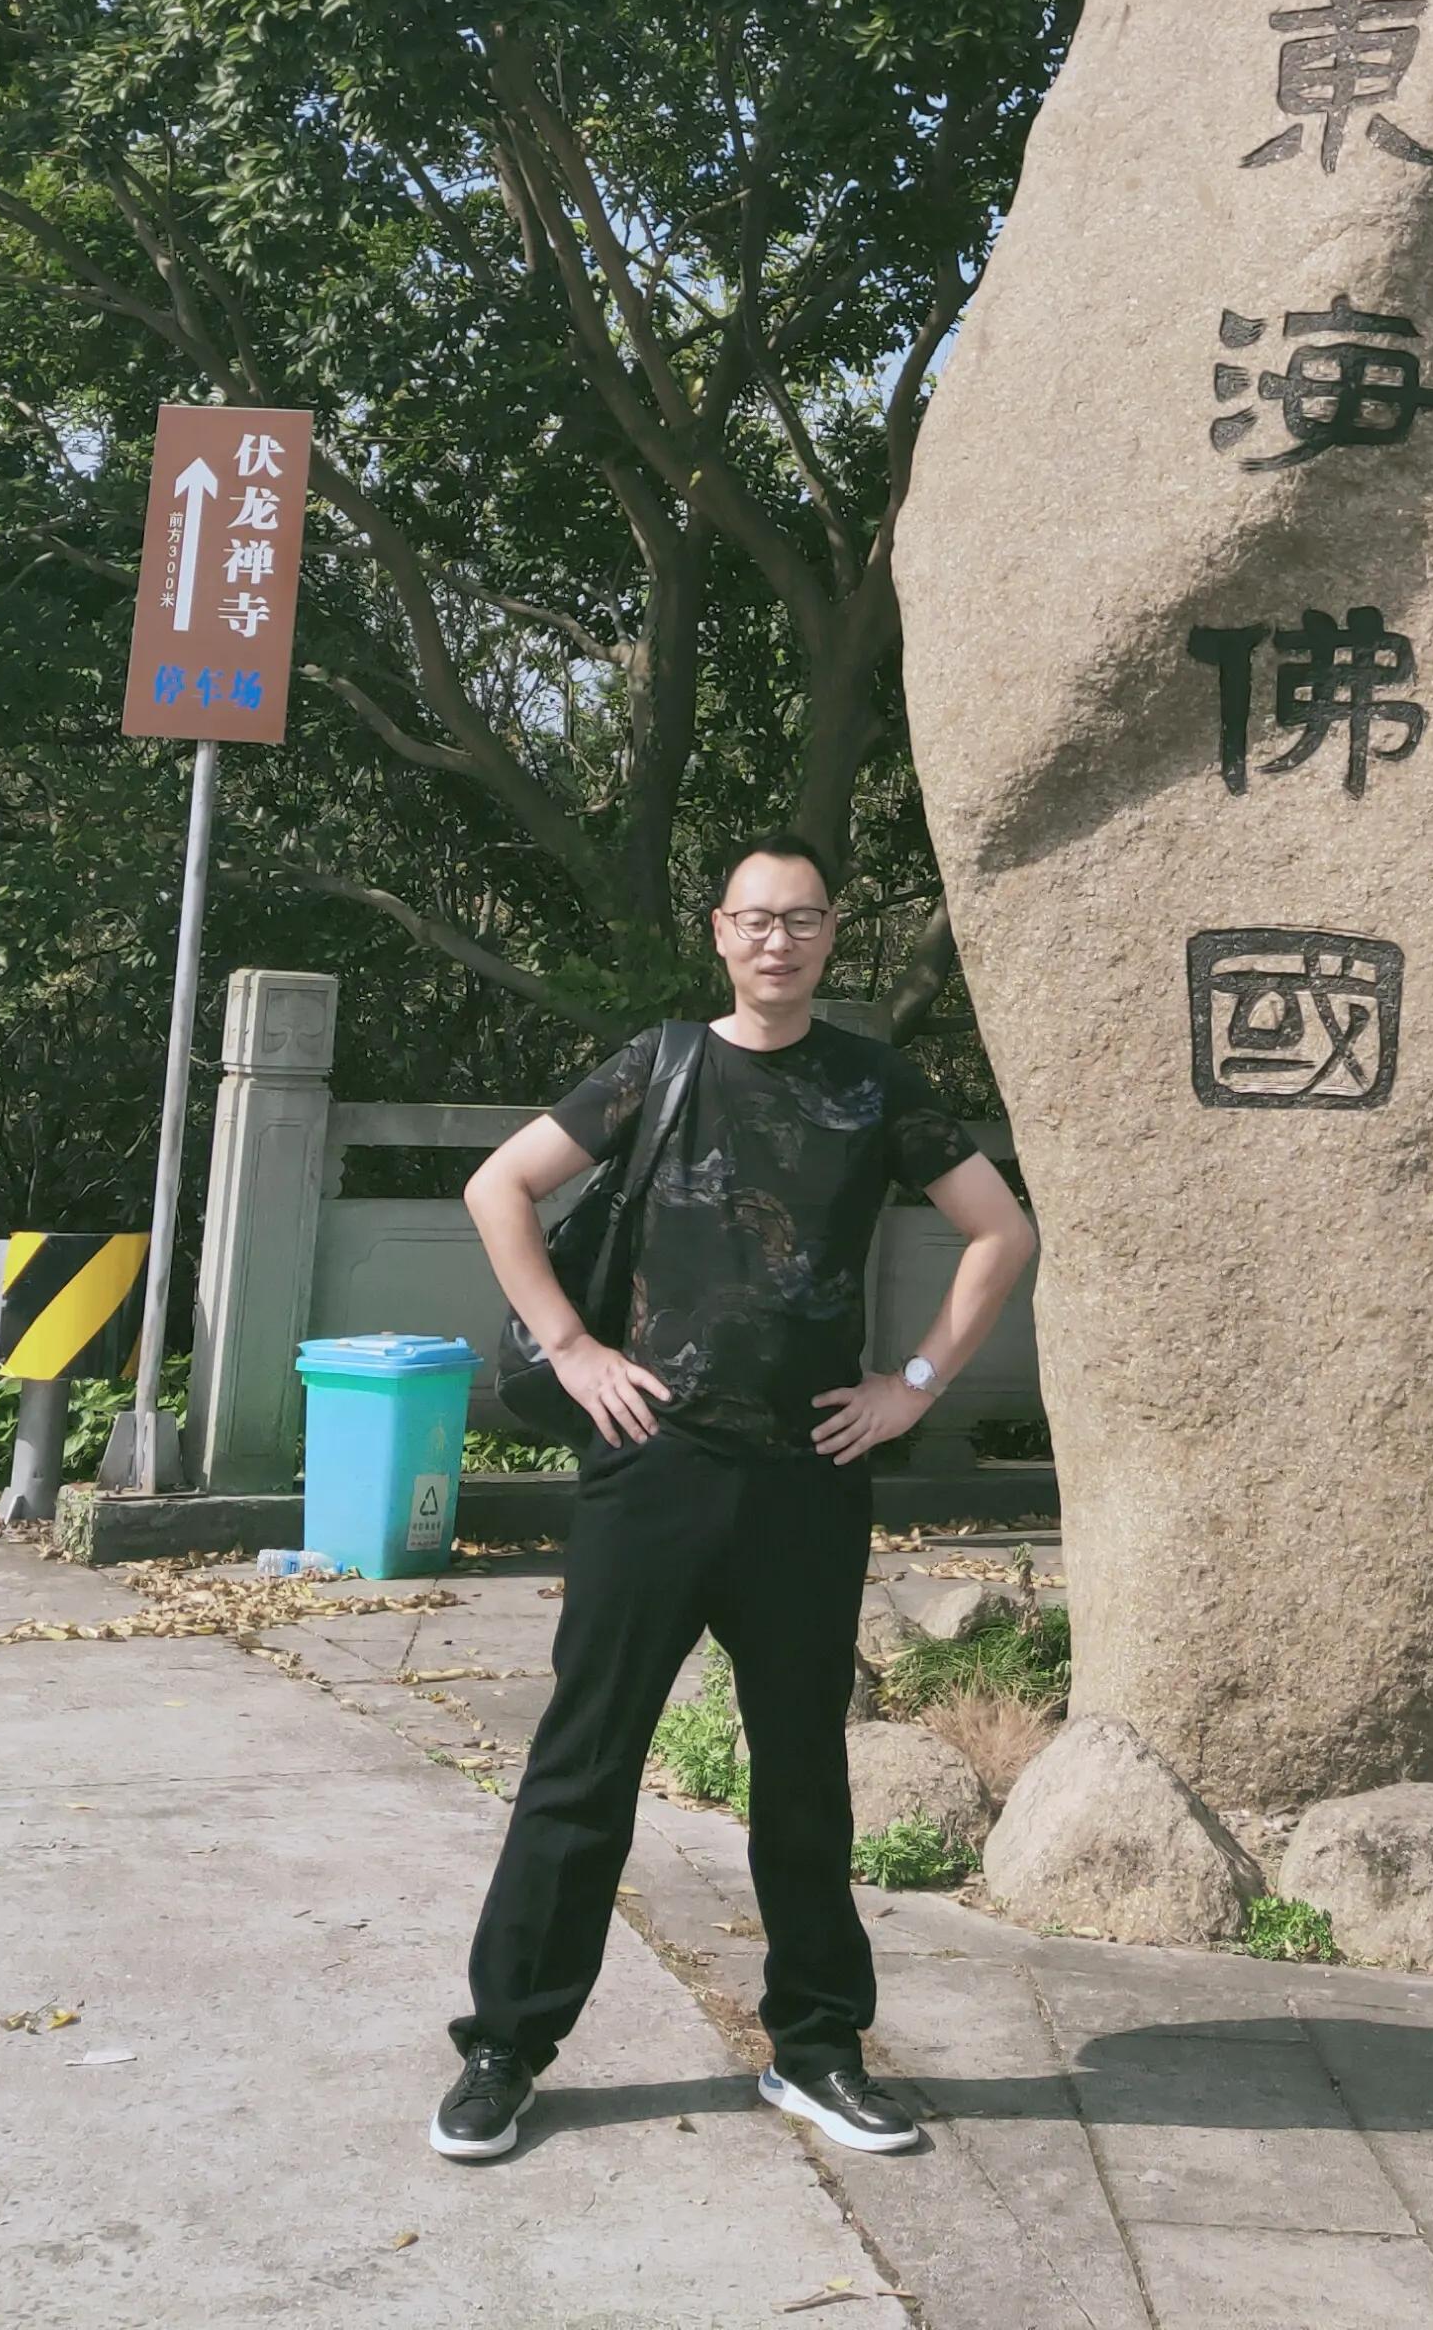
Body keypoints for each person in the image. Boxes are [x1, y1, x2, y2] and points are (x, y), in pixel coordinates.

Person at [431, 834, 1037, 2166]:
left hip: (809, 1481)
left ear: (830, 938)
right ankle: (504, 2052)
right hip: (656, 1470)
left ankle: (817, 2051)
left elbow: (1003, 1231)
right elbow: (501, 1188)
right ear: (720, 933)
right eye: (758, 919)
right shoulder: (657, 1066)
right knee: (582, 1768)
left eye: (805, 919)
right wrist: (576, 1352)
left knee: (807, 1779)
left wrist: (916, 1385)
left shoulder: (876, 1082)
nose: (780, 940)